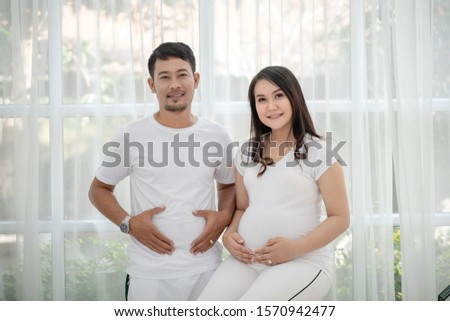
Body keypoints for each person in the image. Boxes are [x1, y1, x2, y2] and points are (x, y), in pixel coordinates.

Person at [88, 42, 235, 301]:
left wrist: (223, 217)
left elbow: (227, 185)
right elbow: (99, 190)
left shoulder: (217, 135)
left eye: (182, 74)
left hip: (207, 269)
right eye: (164, 77)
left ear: (196, 79)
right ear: (152, 85)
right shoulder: (132, 135)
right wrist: (128, 223)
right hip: (149, 274)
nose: (174, 84)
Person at [197, 66, 349, 301]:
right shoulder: (247, 152)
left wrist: (296, 248)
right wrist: (229, 236)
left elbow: (340, 218)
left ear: (294, 97)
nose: (271, 106)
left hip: (303, 261)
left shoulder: (319, 152)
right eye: (262, 99)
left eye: (278, 96)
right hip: (248, 260)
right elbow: (242, 207)